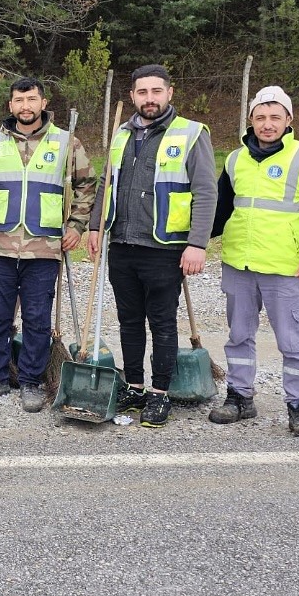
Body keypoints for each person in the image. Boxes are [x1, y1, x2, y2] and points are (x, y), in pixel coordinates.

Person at [87, 65, 216, 428]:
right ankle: (135, 386)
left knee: (161, 322)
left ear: (169, 93)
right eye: (142, 92)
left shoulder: (191, 134)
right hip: (123, 243)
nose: (149, 99)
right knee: (129, 321)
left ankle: (160, 394)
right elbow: (106, 183)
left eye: (156, 91)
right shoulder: (121, 134)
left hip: (165, 246)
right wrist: (96, 226)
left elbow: (206, 192)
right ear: (132, 96)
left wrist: (197, 244)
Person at [210, 86, 299, 435]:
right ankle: (240, 397)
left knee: (292, 342)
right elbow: (220, 211)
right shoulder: (235, 159)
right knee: (238, 336)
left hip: (286, 267)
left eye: (274, 117)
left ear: (288, 120)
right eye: (260, 118)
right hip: (239, 264)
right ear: (250, 121)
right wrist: (190, 240)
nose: (267, 125)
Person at [0, 80, 94, 410]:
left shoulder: (66, 142)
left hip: (45, 245)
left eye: (31, 99)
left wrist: (77, 225)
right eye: (19, 100)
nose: (25, 105)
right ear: (10, 105)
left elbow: (86, 185)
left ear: (43, 102)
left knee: (37, 318)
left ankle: (31, 381)